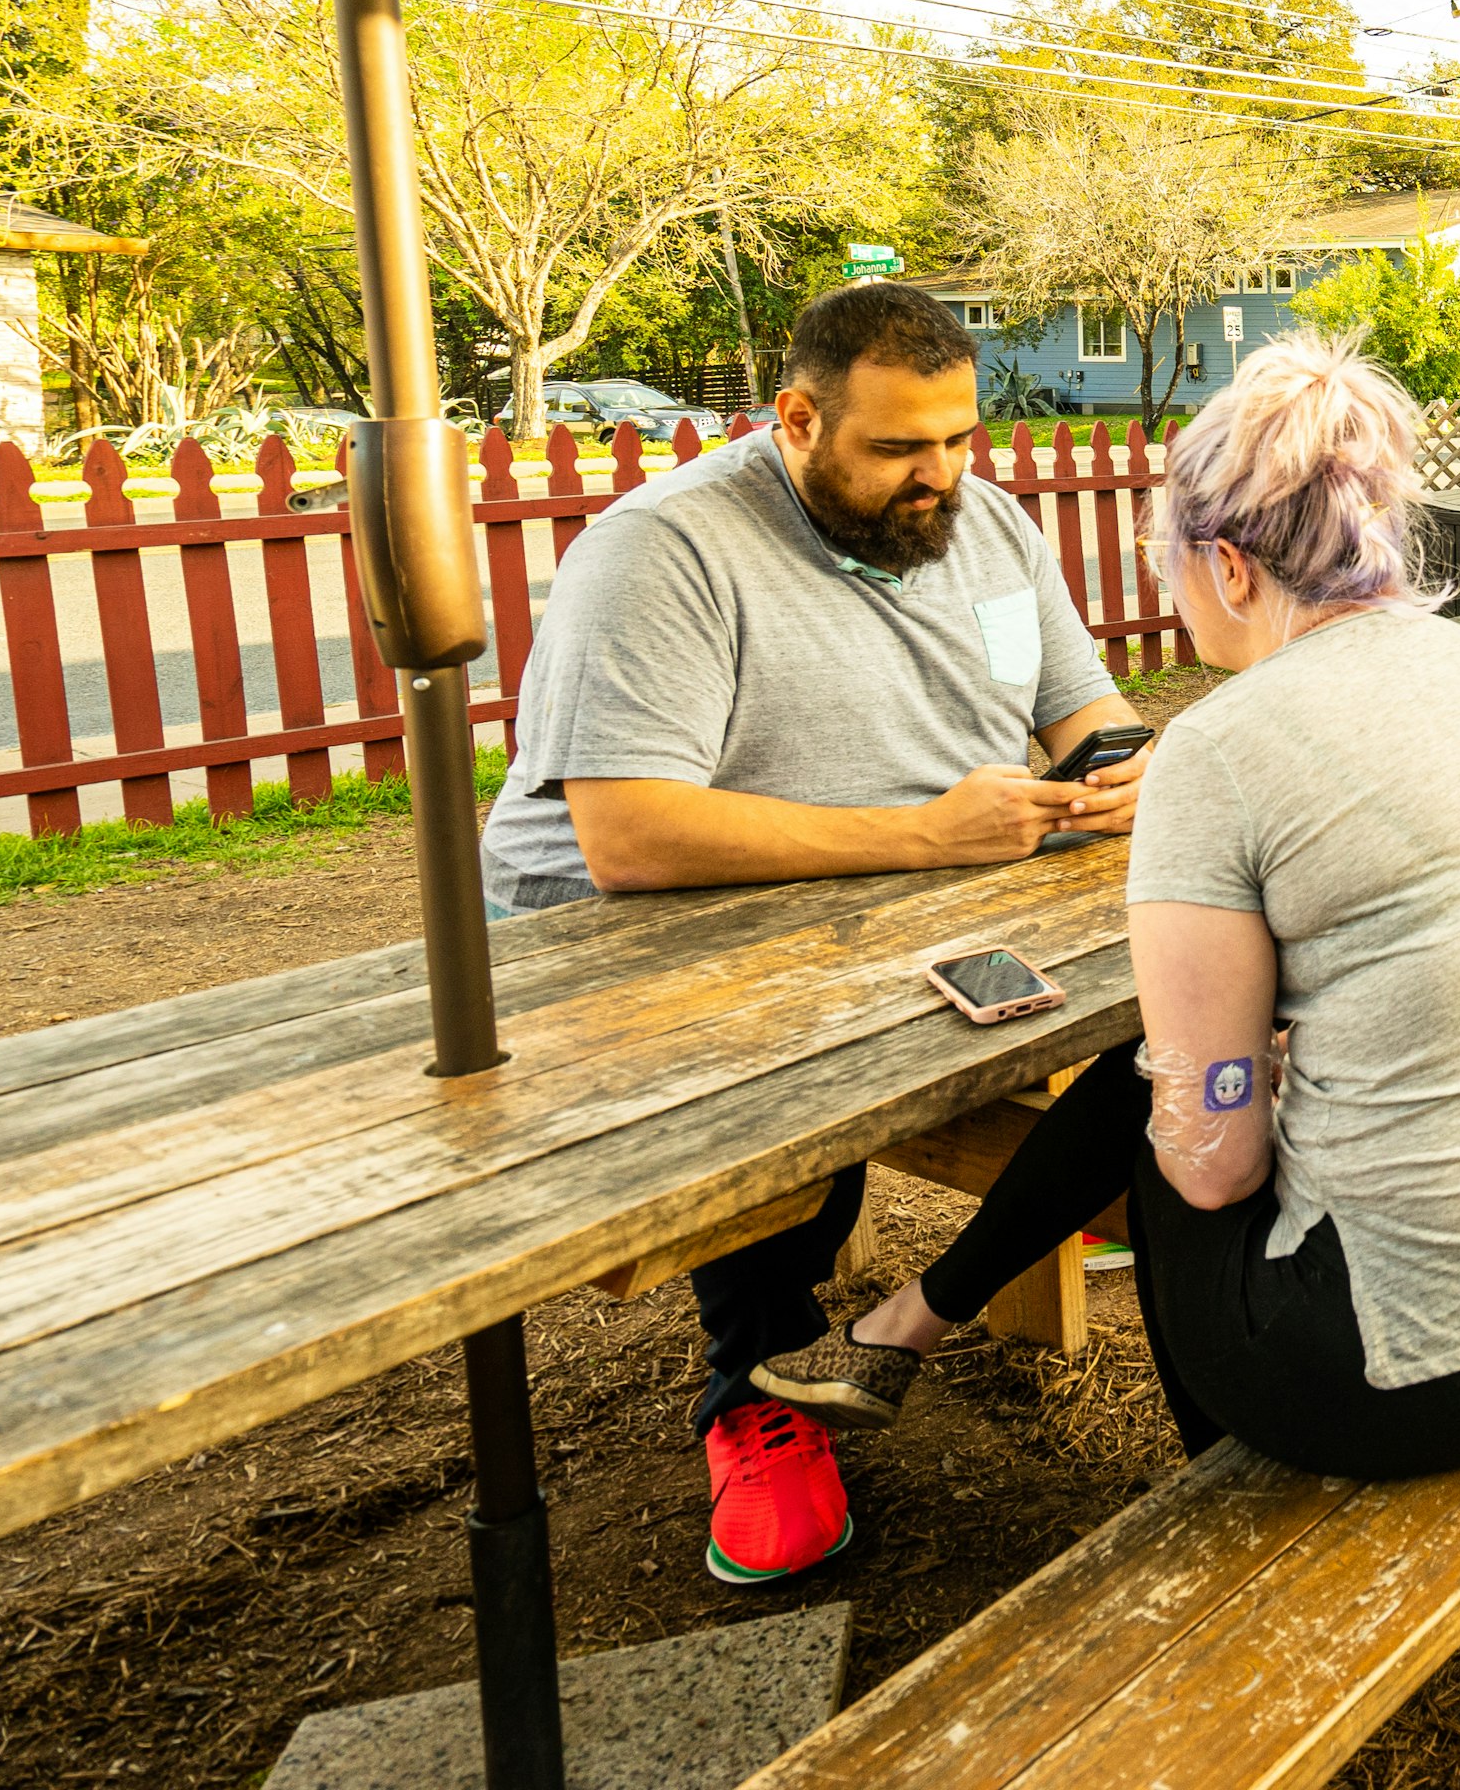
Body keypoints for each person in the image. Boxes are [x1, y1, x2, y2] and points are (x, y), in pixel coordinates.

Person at [835, 332, 1460, 1485]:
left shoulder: (1220, 750)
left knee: (1171, 1105)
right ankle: (922, 1314)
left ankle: (1229, 1478)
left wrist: (1215, 1077)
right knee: (1193, 1070)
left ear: (1232, 565)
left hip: (1431, 1365)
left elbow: (1212, 1167)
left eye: (1175, 562)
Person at [480, 282, 1153, 1582]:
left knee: (1174, 981)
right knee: (812, 1075)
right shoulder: (662, 553)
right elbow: (629, 837)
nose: (940, 476)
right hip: (635, 940)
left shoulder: (990, 526)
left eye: (959, 439)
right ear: (794, 418)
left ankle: (1073, 1208)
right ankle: (756, 1390)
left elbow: (1086, 710)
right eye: (900, 447)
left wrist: (1126, 765)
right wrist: (923, 838)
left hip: (902, 896)